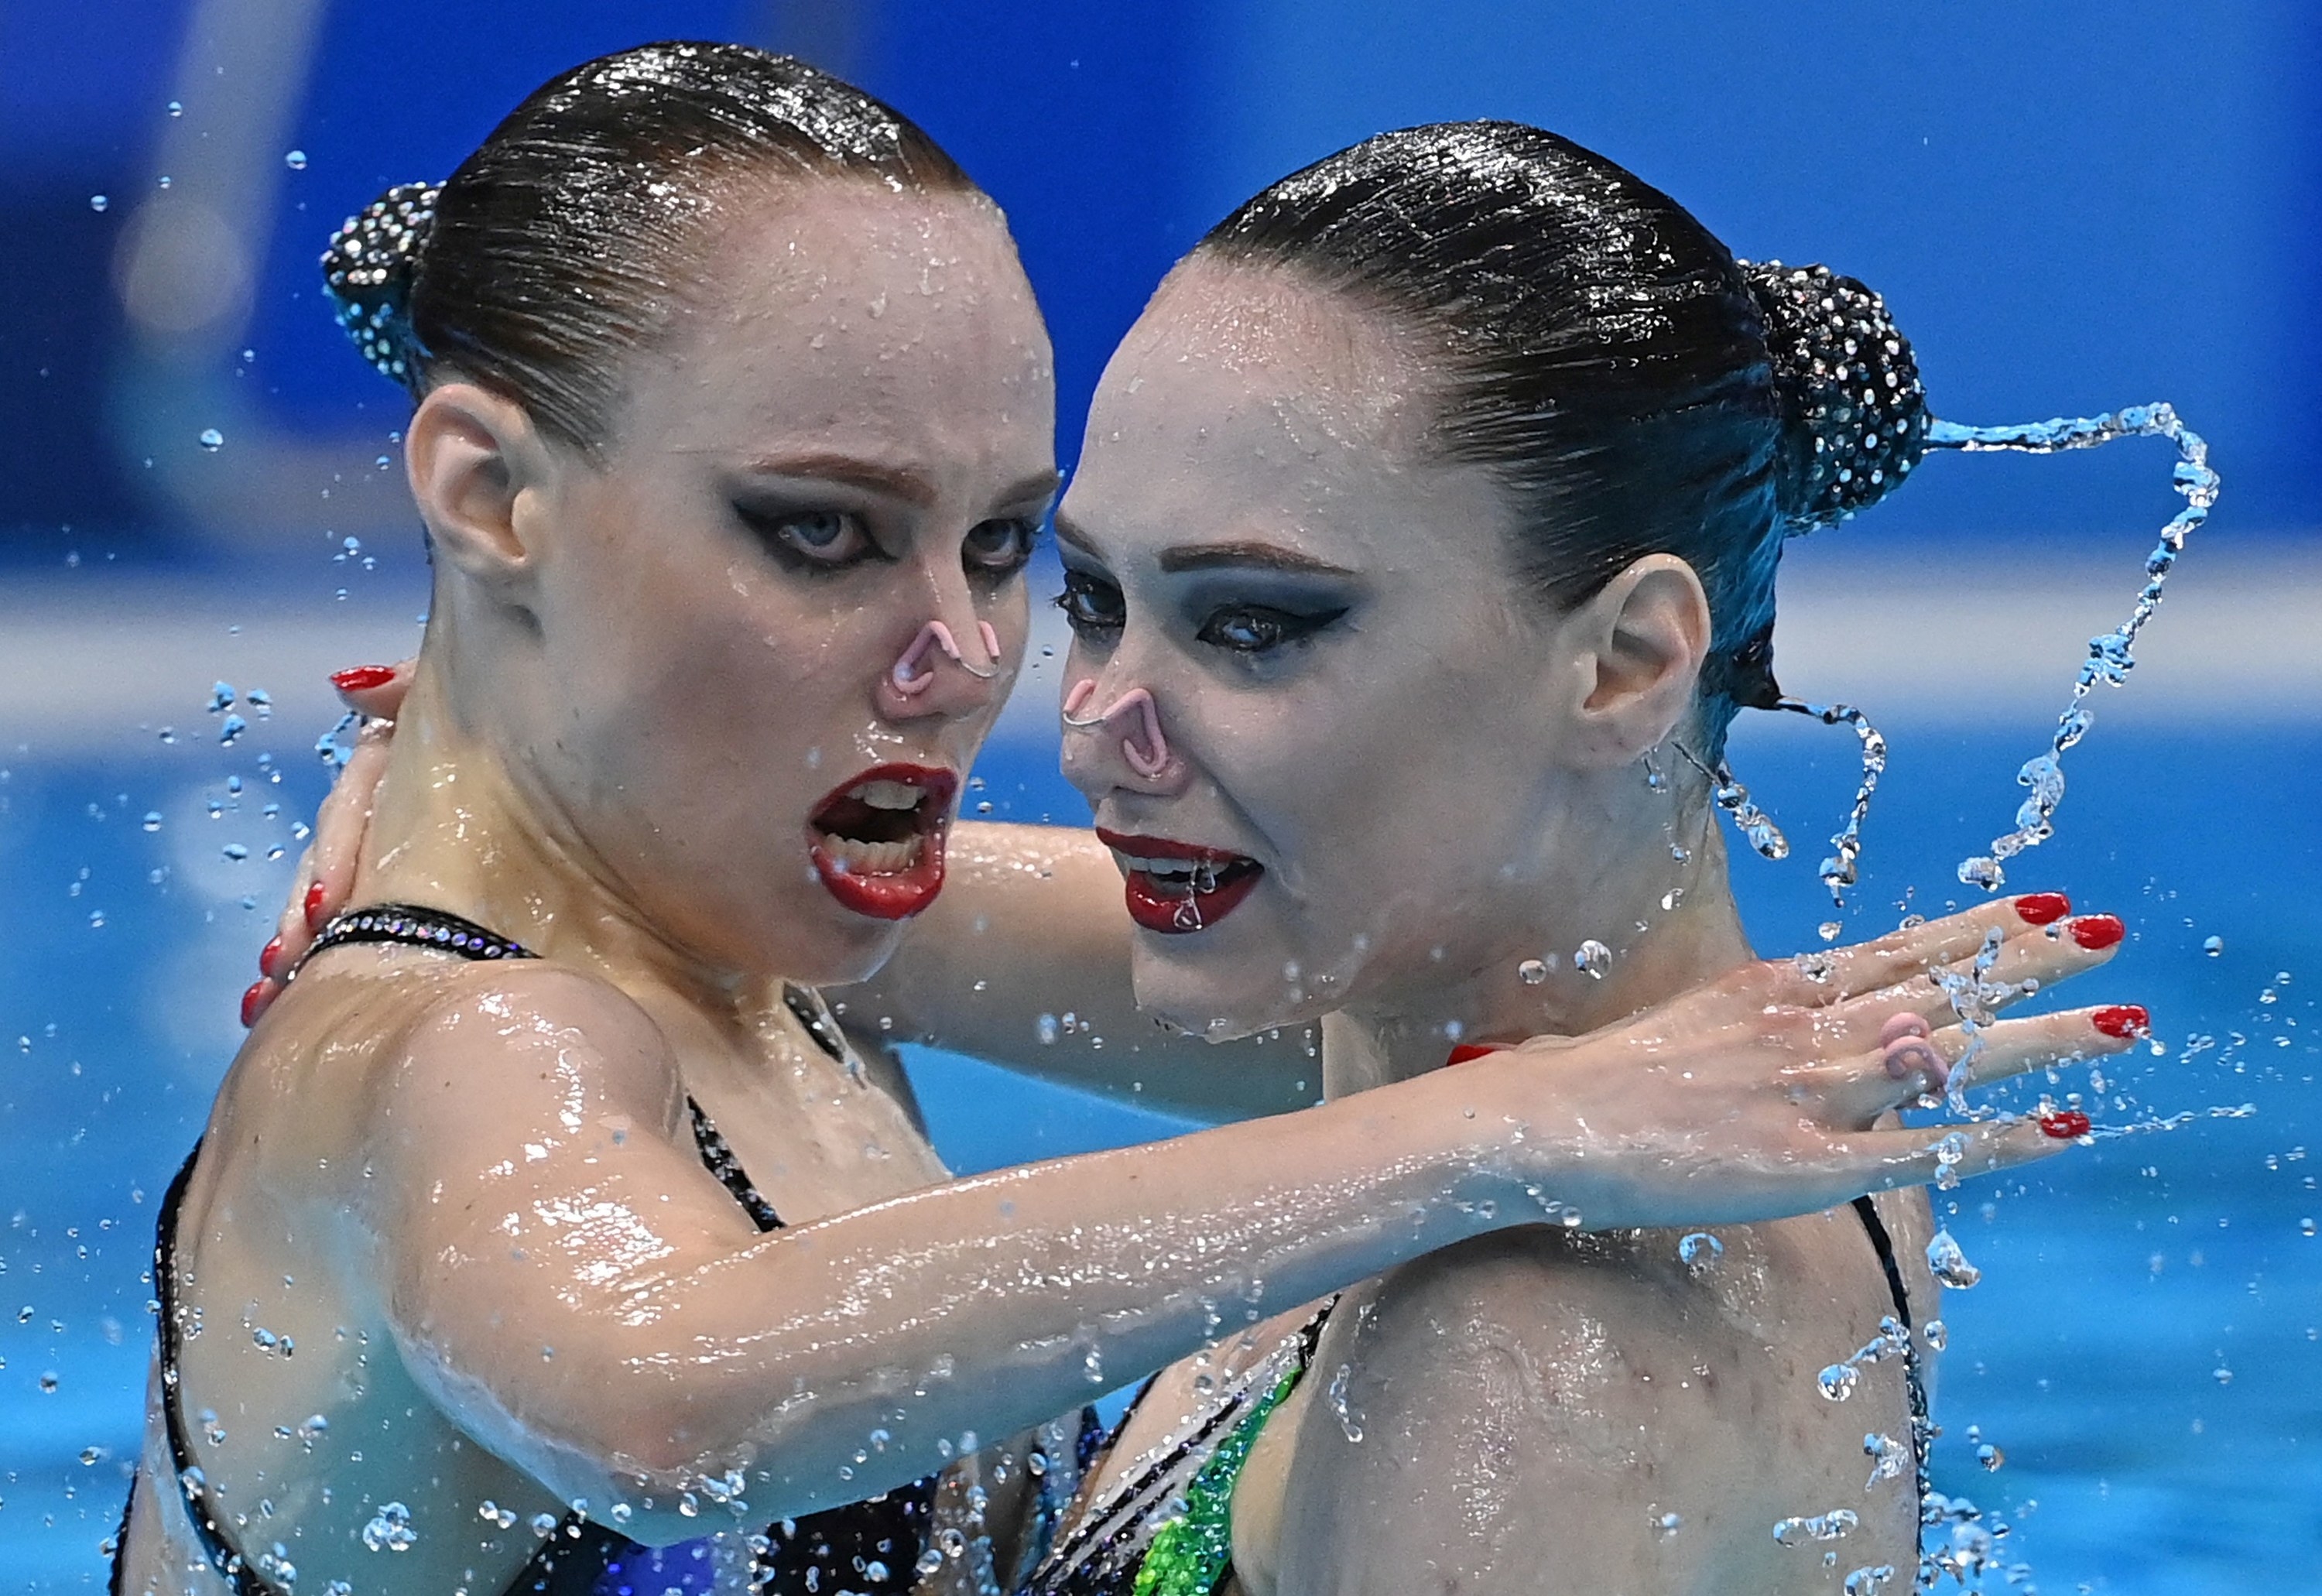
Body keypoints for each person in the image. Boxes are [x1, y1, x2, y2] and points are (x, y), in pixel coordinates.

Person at [162, 48, 2126, 1596]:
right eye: (821, 533)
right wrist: (1497, 1128)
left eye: (1007, 548)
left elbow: (1437, 1018)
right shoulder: (502, 1038)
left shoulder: (1557, 1310)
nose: (1010, 681)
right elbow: (663, 1392)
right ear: (492, 499)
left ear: (1622, 663)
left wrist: (530, 783)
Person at [1002, 122, 2149, 1596]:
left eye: (1253, 626)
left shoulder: (1518, 1351)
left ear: (1621, 663)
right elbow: (797, 911)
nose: (1096, 727)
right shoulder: (1498, 1097)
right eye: (1095, 598)